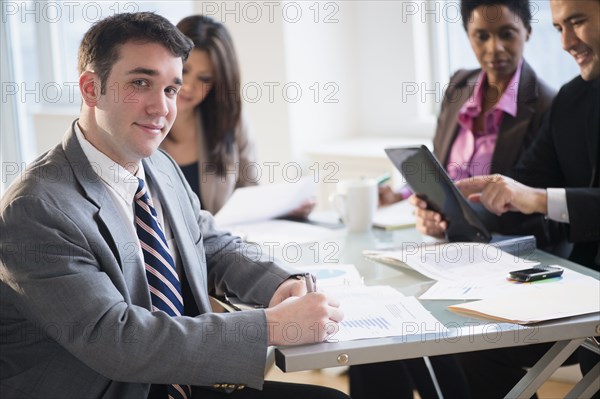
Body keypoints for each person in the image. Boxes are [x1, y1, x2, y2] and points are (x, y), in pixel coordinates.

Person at [0, 12, 349, 399]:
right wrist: (270, 326)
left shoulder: (158, 165)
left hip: (179, 381)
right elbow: (119, 340)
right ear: (90, 89)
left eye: (170, 89)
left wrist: (281, 284)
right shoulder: (35, 208)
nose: (162, 108)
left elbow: (210, 244)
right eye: (140, 83)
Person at [350, 0, 555, 397]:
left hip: (505, 263)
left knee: (458, 346)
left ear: (527, 31)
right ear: (468, 37)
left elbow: (534, 207)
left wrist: (457, 215)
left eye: (506, 34)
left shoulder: (545, 105)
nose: (494, 48)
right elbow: (445, 174)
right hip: (446, 254)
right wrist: (415, 197)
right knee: (372, 325)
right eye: (481, 35)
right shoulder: (460, 86)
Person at [414, 0, 600, 397]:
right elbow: (521, 188)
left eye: (578, 22)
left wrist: (535, 198)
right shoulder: (573, 100)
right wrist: (454, 207)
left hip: (586, 293)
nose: (567, 41)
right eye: (559, 27)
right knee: (470, 336)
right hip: (581, 287)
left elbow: (534, 196)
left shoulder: (551, 99)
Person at [160, 15, 314, 217]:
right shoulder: (144, 122)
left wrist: (284, 210)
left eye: (204, 78)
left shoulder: (230, 119)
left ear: (218, 82)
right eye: (184, 70)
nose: (188, 86)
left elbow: (250, 193)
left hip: (220, 244)